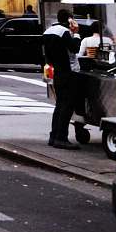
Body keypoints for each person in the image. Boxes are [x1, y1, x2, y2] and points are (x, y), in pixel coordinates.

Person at [42, 8, 81, 149]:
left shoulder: (48, 31)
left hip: (58, 71)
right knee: (67, 106)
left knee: (59, 105)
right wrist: (76, 34)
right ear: (69, 19)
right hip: (69, 72)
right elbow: (75, 48)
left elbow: (47, 55)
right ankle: (61, 137)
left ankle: (54, 135)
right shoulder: (64, 32)